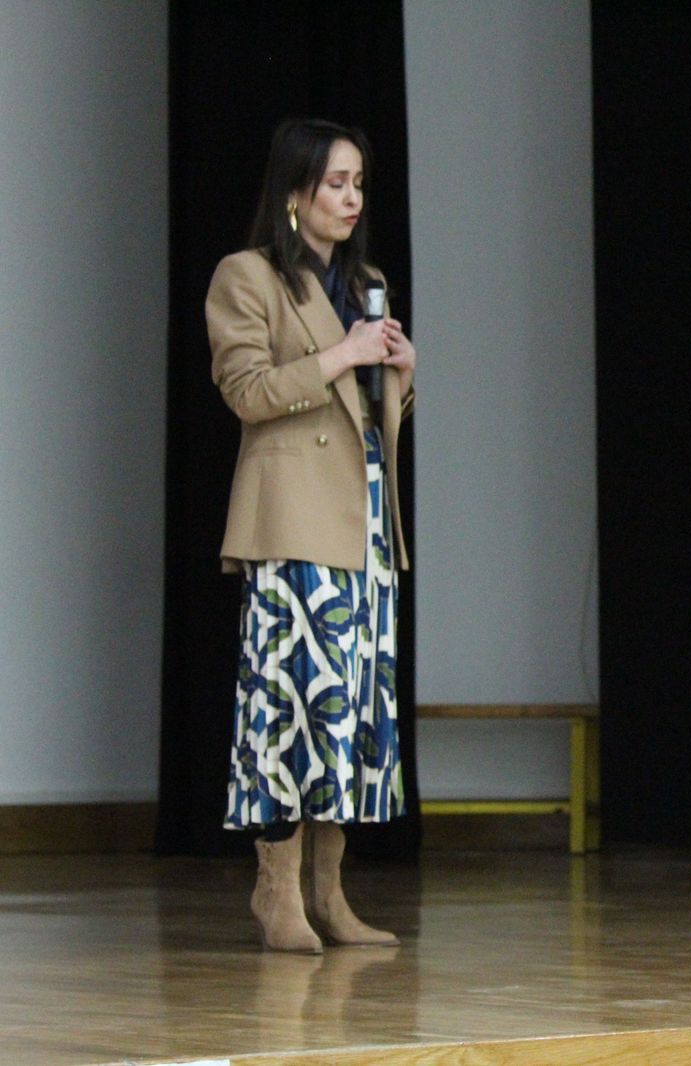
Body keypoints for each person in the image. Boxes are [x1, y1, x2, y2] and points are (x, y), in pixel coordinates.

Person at [207, 118, 417, 951]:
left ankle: (331, 894)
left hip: (364, 514)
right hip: (291, 517)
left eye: (358, 183)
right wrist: (343, 355)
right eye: (335, 183)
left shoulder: (365, 280)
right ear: (294, 195)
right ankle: (277, 893)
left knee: (352, 709)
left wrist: (399, 376)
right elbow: (247, 390)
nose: (350, 198)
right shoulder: (247, 276)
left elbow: (367, 414)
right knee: (292, 702)